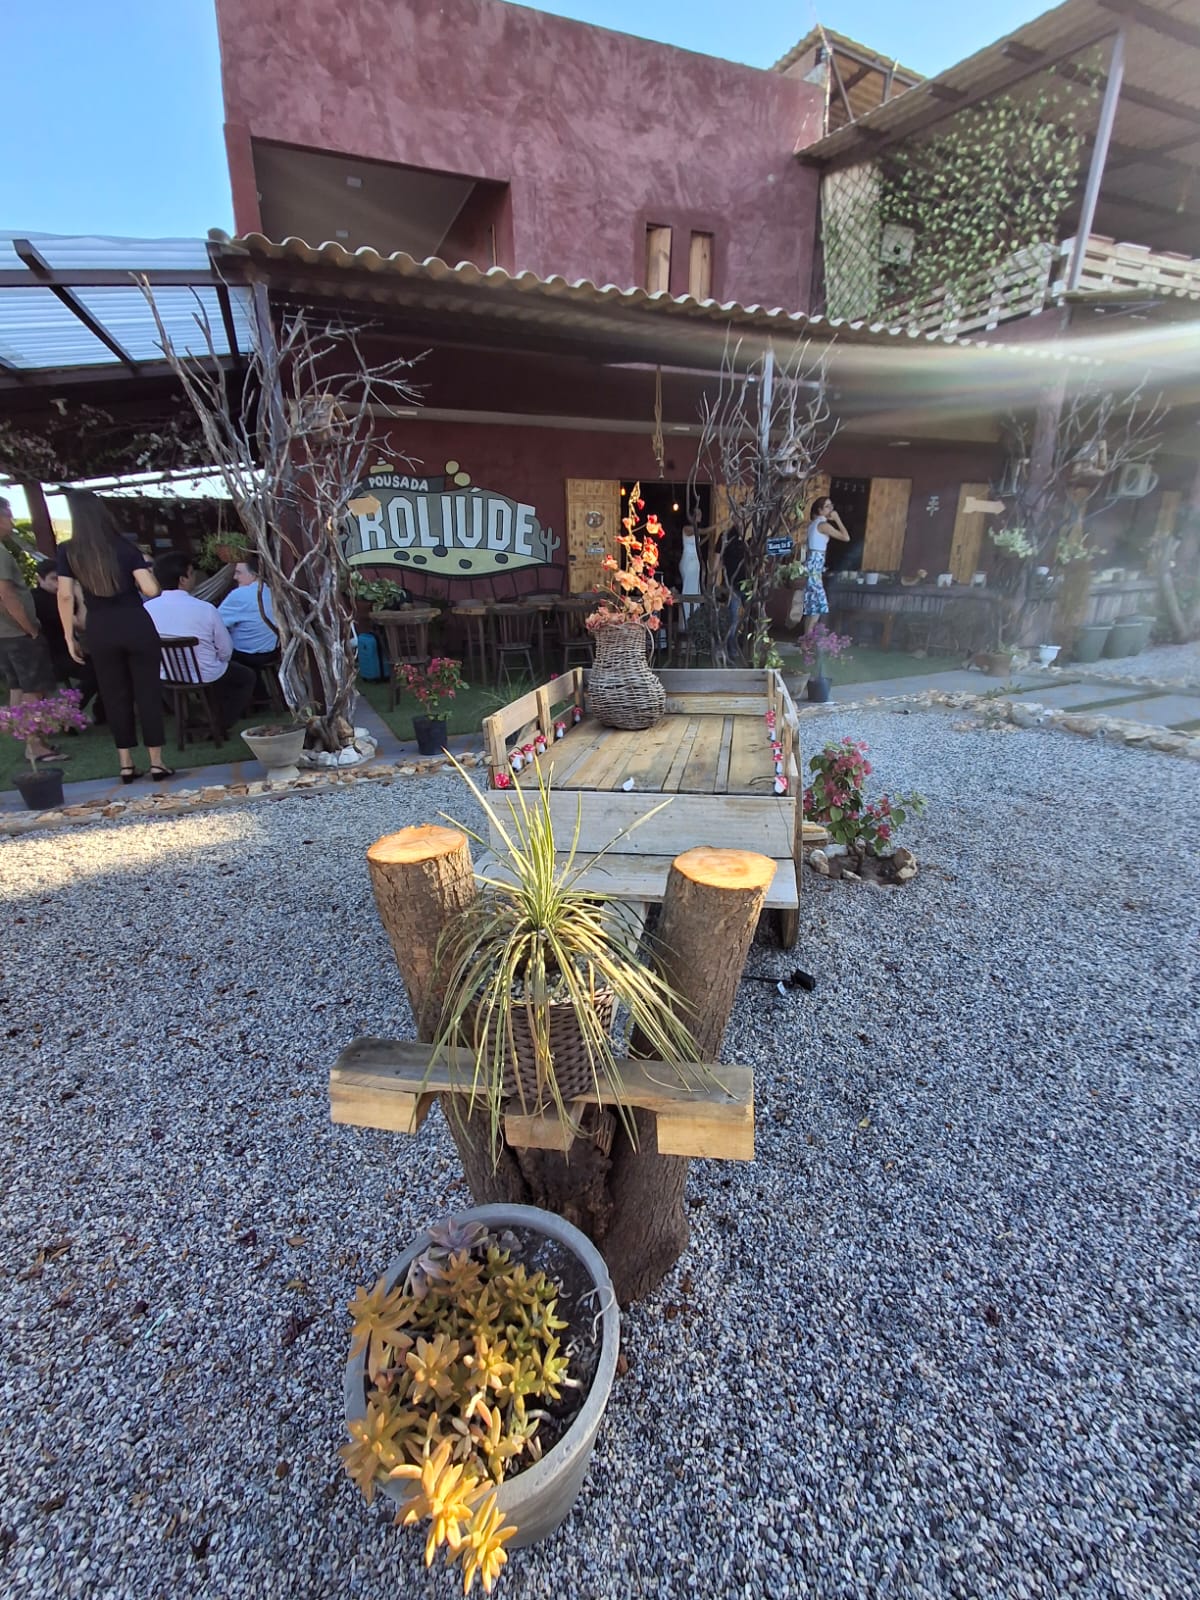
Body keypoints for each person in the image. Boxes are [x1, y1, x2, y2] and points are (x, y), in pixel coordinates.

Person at [55, 489, 175, 784]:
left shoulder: (68, 551)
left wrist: (69, 637)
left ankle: (125, 764)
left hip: (100, 627)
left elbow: (65, 595)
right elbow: (150, 590)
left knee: (114, 694)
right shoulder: (124, 546)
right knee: (147, 692)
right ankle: (156, 762)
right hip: (135, 623)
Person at [145, 554, 256, 727]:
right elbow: (226, 650)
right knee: (245, 677)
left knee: (159, 677)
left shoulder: (146, 609)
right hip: (206, 672)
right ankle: (221, 723)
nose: (195, 577)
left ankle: (190, 719)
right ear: (182, 580)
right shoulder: (205, 609)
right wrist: (218, 660)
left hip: (169, 674)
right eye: (191, 573)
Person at [0, 497, 62, 767]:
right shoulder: (0, 553)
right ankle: (35, 746)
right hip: (18, 634)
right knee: (32, 689)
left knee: (17, 686)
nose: (12, 521)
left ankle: (29, 742)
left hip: (5, 635)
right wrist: (28, 628)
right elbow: (5, 594)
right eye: (8, 515)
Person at [218, 554, 279, 670]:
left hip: (245, 654)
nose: (235, 577)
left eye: (239, 573)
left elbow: (216, 623)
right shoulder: (272, 591)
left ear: (254, 575)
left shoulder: (239, 594)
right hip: (272, 652)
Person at [800, 496, 850, 636]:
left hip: (813, 564)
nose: (831, 509)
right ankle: (807, 640)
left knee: (813, 607)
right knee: (817, 607)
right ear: (820, 510)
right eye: (827, 507)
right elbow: (845, 537)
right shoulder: (823, 525)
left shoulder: (813, 524)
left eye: (831, 506)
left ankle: (807, 640)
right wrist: (838, 519)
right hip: (815, 565)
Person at [720, 524, 747, 658]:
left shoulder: (750, 537)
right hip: (735, 583)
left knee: (747, 617)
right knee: (735, 618)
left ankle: (741, 646)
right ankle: (732, 648)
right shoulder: (727, 536)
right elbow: (717, 557)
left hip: (745, 583)